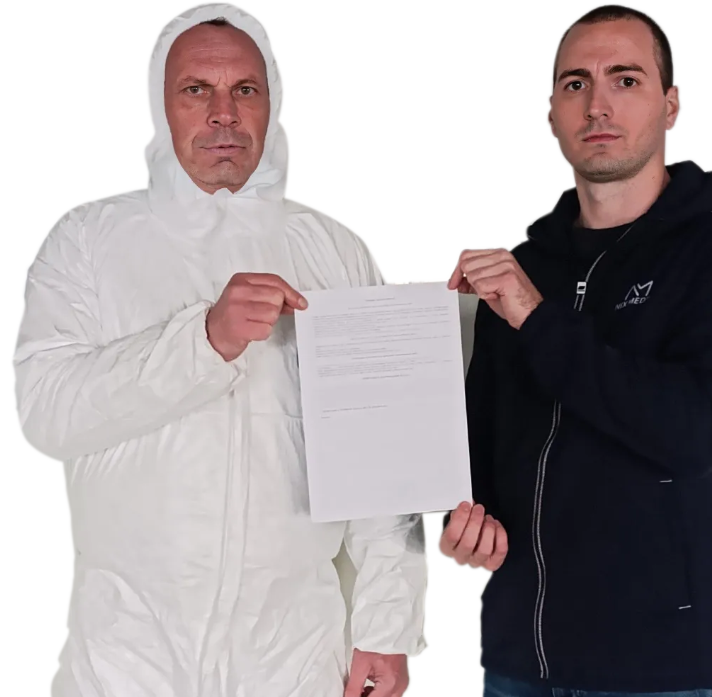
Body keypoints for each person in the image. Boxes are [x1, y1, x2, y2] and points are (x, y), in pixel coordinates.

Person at [11, 5, 427, 697]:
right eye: (196, 89)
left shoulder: (333, 253)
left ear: (270, 105)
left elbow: (384, 465)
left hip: (292, 651)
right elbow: (46, 413)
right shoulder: (88, 241)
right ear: (161, 107)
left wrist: (386, 627)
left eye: (245, 89)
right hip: (127, 652)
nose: (223, 114)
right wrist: (203, 341)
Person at [440, 4, 712, 697]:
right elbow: (481, 440)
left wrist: (538, 318)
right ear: (552, 114)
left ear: (669, 104)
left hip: (667, 668)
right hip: (519, 662)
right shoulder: (524, 265)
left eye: (625, 80)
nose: (597, 104)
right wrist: (460, 514)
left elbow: (695, 431)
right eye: (575, 84)